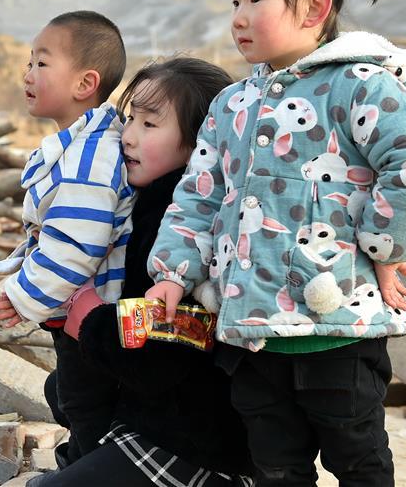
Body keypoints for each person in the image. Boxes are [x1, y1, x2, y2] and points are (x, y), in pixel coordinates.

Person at [145, 0, 406, 485]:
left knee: (358, 459)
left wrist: (384, 245)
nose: (238, 16)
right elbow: (199, 195)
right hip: (250, 334)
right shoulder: (231, 104)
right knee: (274, 467)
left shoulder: (358, 86)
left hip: (337, 328)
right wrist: (173, 272)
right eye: (234, 0)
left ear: (315, 7)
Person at [34, 57, 254, 487]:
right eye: (130, 118)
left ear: (202, 144)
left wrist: (91, 320)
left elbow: (167, 354)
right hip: (148, 412)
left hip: (195, 440)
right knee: (62, 390)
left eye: (150, 125)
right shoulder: (140, 202)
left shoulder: (186, 228)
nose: (129, 136)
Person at [0, 10, 135, 464]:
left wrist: (24, 295)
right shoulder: (78, 145)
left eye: (42, 63)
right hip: (73, 305)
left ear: (85, 83)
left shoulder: (91, 158)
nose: (28, 74)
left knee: (83, 399)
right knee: (69, 391)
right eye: (29, 61)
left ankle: (85, 467)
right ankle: (85, 457)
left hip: (90, 312)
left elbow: (76, 245)